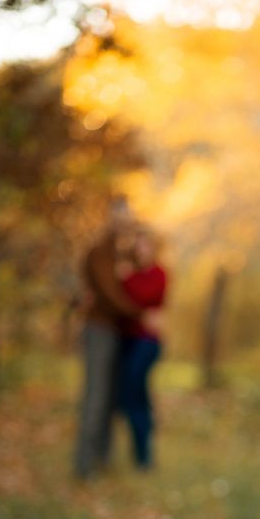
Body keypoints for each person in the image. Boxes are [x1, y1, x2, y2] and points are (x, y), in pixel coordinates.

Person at [74, 199, 142, 480]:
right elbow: (108, 293)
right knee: (96, 396)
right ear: (109, 219)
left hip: (117, 331)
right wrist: (140, 313)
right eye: (117, 218)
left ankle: (103, 459)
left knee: (112, 397)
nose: (121, 224)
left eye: (126, 219)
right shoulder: (100, 252)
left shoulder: (122, 252)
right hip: (99, 330)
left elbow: (145, 269)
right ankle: (85, 464)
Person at [117, 228, 167, 469]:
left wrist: (126, 280)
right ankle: (141, 454)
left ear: (153, 247)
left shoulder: (159, 273)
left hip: (148, 342)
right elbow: (128, 303)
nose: (142, 250)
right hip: (127, 341)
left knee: (133, 392)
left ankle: (144, 454)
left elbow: (145, 296)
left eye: (146, 245)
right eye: (138, 246)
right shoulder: (129, 273)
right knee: (134, 395)